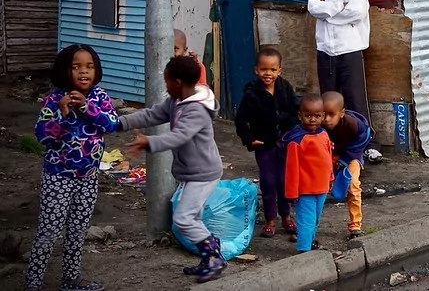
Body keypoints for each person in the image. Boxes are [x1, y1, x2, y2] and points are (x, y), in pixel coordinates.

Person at [119, 56, 225, 283]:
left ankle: (214, 257)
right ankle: (209, 256)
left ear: (177, 82)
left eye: (167, 81)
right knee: (192, 217)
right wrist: (121, 123)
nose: (165, 86)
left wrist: (150, 142)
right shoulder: (176, 101)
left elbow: (180, 136)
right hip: (192, 171)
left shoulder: (196, 110)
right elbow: (151, 114)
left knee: (184, 218)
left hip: (204, 173)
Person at [25, 44, 119, 291]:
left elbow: (111, 124)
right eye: (76, 67)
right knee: (49, 231)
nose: (83, 72)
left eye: (89, 66)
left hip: (88, 178)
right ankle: (33, 284)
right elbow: (42, 136)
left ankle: (71, 280)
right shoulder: (55, 100)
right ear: (64, 71)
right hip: (58, 177)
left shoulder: (100, 98)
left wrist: (87, 108)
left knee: (77, 230)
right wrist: (64, 114)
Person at [307, 0, 382, 164]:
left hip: (349, 48)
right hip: (326, 50)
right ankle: (332, 143)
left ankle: (368, 144)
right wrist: (339, 5)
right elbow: (312, 7)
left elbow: (356, 12)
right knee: (328, 100)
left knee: (355, 99)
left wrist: (326, 9)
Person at [235, 47, 299, 239]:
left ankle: (286, 216)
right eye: (264, 69)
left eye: (272, 70)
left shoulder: (285, 88)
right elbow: (240, 120)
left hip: (285, 144)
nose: (268, 74)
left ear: (279, 70)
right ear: (256, 70)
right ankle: (270, 220)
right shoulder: (252, 93)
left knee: (284, 180)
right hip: (264, 145)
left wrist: (293, 135)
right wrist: (249, 139)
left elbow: (296, 112)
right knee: (268, 181)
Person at [282, 94, 333, 253]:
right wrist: (291, 192)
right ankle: (304, 250)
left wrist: (330, 177)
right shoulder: (296, 141)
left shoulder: (323, 134)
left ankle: (310, 242)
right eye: (308, 115)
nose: (312, 119)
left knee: (315, 218)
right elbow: (291, 168)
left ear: (323, 116)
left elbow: (328, 158)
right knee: (306, 221)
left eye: (317, 116)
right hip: (305, 190)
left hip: (322, 187)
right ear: (300, 116)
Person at [321, 91, 372, 240]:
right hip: (330, 155)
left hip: (351, 156)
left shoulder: (353, 125)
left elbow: (363, 140)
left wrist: (343, 160)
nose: (327, 119)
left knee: (353, 186)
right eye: (323, 114)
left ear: (341, 113)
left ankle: (355, 225)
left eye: (331, 115)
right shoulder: (317, 123)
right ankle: (310, 226)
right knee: (318, 188)